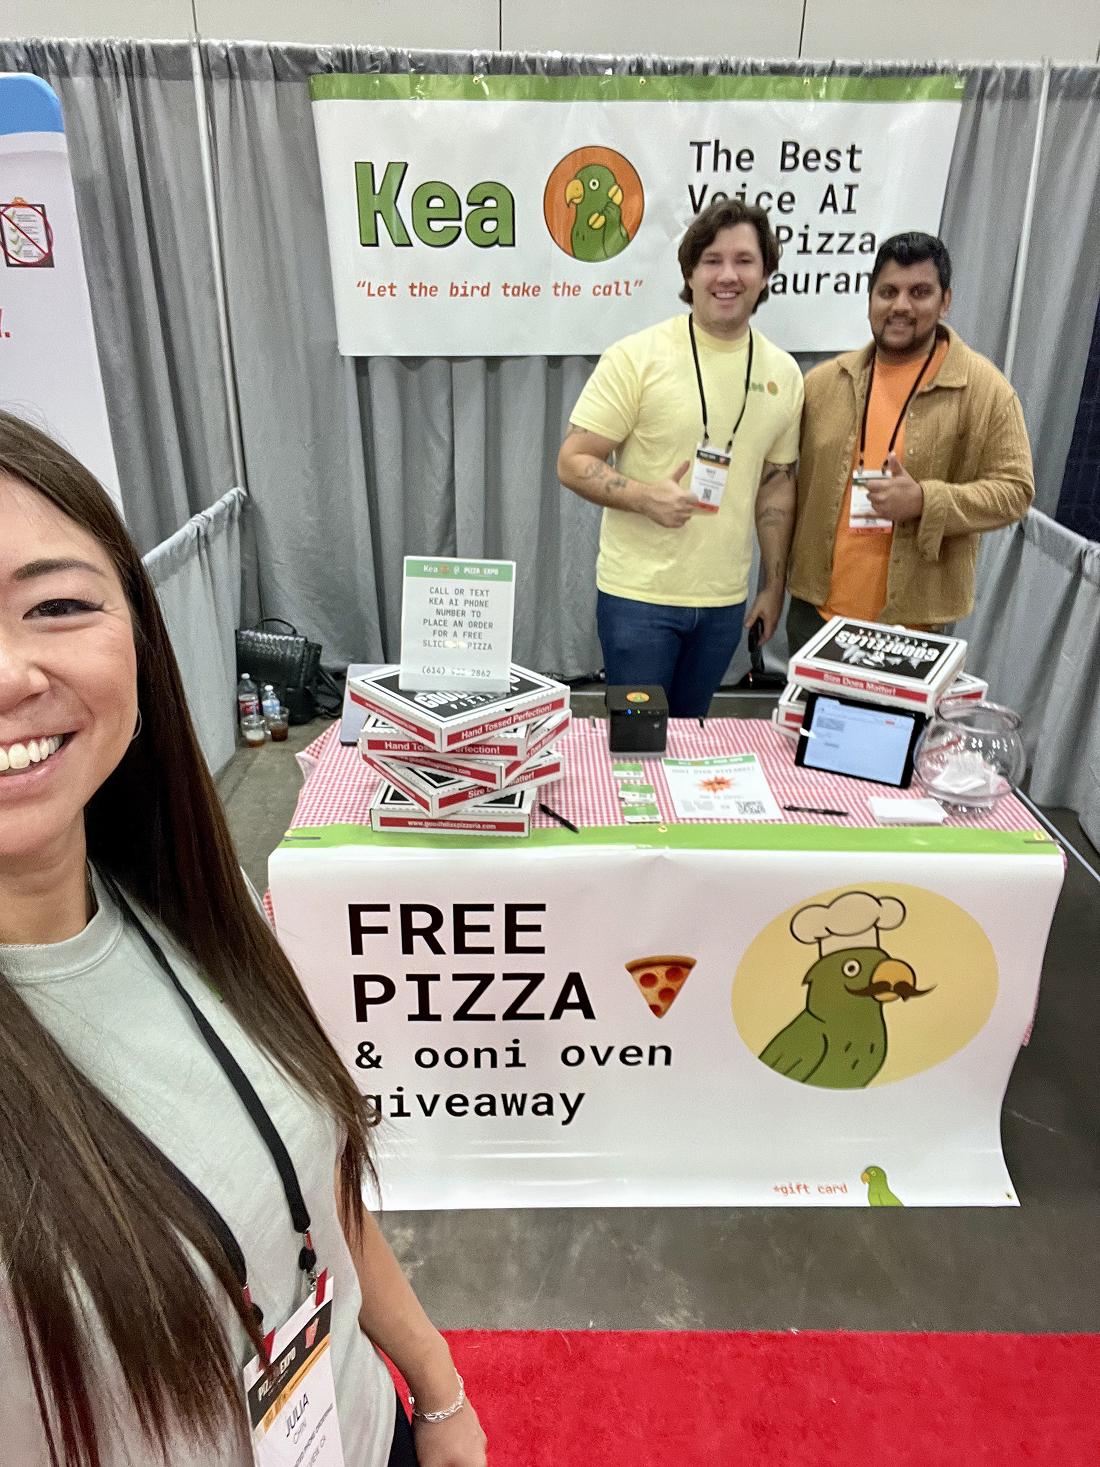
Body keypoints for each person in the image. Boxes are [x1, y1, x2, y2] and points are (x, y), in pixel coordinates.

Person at [0, 410, 487, 1467]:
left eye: (56, 605)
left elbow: (317, 1190)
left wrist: (436, 1393)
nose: (10, 676)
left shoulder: (181, 901)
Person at [557, 198, 804, 717]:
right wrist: (645, 497)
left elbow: (776, 482)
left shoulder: (785, 374)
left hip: (723, 604)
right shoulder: (635, 357)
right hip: (637, 599)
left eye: (744, 261)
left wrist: (773, 587)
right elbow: (573, 460)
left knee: (690, 738)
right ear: (690, 273)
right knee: (637, 742)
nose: (727, 275)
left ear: (765, 276)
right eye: (712, 260)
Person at [786, 232, 1034, 650]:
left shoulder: (984, 389)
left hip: (914, 630)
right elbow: (781, 481)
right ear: (870, 300)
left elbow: (1016, 491)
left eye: (919, 292)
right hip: (815, 617)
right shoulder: (824, 384)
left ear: (945, 301)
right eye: (888, 292)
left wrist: (925, 501)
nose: (901, 305)